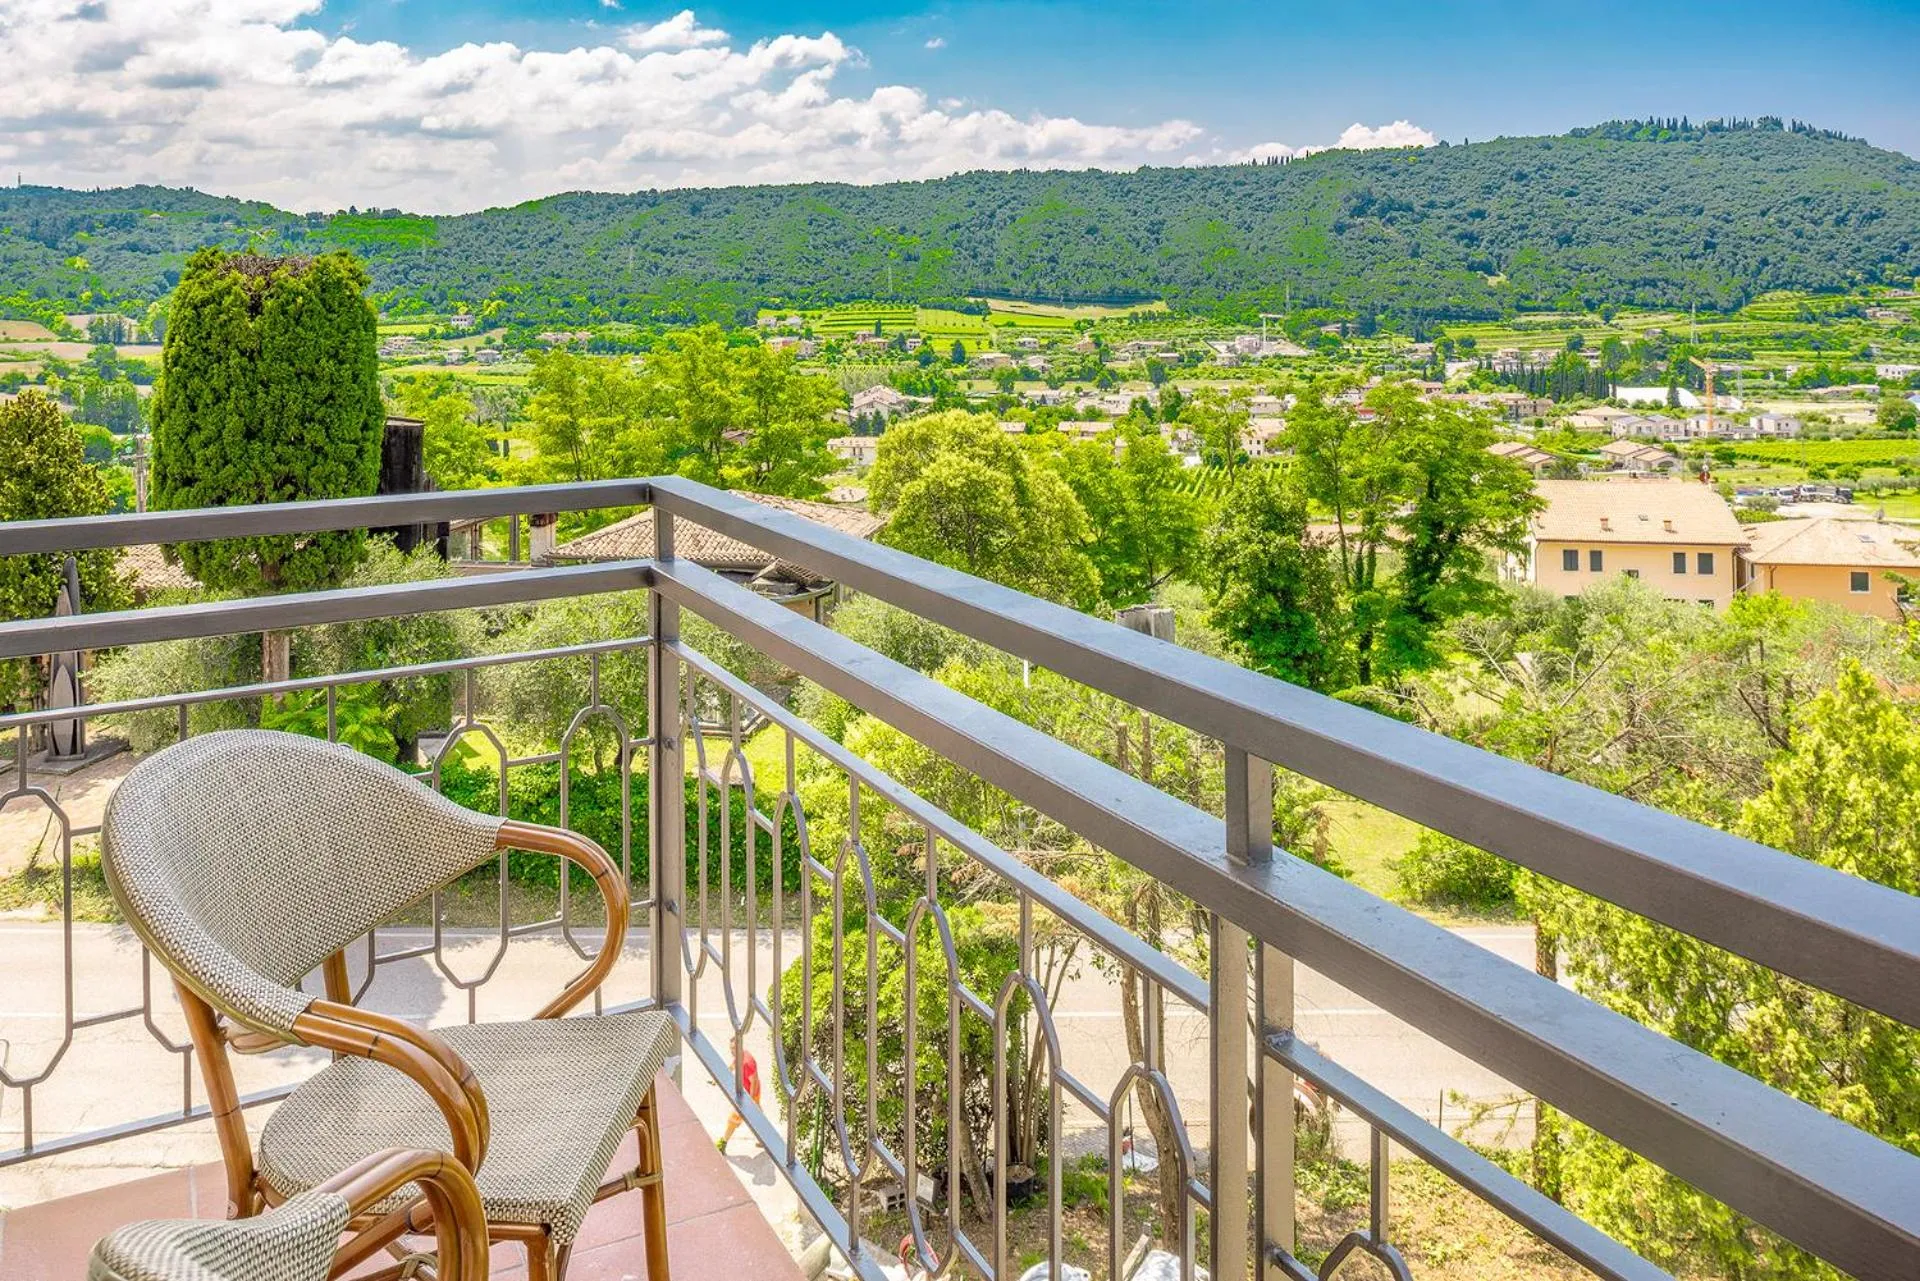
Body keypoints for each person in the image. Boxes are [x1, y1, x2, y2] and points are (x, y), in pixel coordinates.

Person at [716, 1047, 761, 1152]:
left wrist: (751, 1100)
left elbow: (753, 1081)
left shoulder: (746, 1063)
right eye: (730, 1048)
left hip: (749, 1095)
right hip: (750, 1093)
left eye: (733, 1048)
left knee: (733, 1119)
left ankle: (723, 1143)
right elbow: (732, 1065)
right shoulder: (741, 1055)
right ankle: (764, 1138)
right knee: (757, 1116)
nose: (731, 1051)